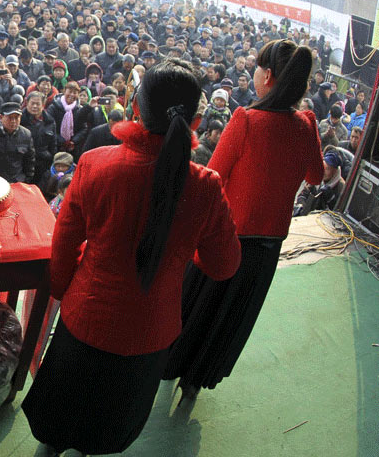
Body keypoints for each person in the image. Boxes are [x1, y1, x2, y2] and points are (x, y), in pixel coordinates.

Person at [22, 58, 241, 456]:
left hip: (86, 319)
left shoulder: (96, 164)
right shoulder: (206, 186)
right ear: (194, 122)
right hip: (150, 334)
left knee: (55, 428)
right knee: (105, 432)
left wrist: (61, 290)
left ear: (136, 108)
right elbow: (224, 264)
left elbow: (64, 245)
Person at [163, 39, 324, 403]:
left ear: (267, 76)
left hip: (225, 239)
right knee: (230, 317)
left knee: (196, 306)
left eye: (256, 66)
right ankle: (196, 380)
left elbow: (213, 174)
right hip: (267, 248)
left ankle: (170, 366)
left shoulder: (247, 120)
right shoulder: (306, 124)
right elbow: (315, 175)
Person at [294, 151, 346, 215]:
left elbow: (339, 212)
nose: (323, 171)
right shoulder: (316, 177)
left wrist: (331, 199)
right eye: (323, 167)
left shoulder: (341, 187)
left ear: (335, 171)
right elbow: (302, 195)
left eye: (327, 169)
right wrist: (302, 206)